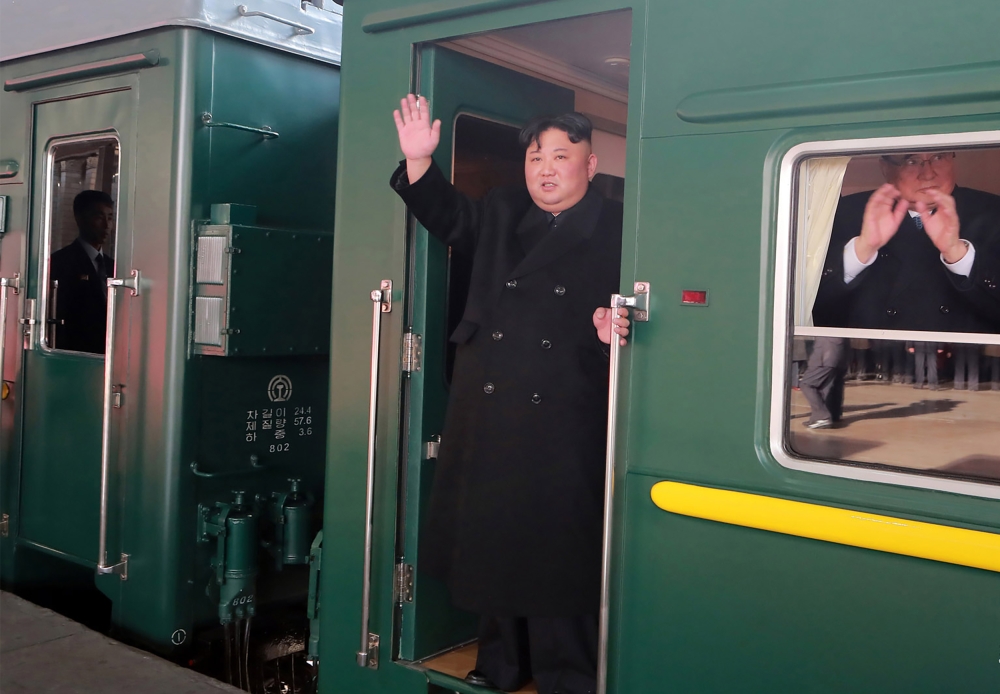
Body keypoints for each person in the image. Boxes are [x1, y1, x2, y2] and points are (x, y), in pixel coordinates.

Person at [391, 94, 628, 694]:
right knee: (496, 536)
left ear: (591, 164)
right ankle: (499, 664)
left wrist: (614, 333)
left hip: (568, 407)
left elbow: (641, 315)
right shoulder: (501, 210)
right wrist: (420, 163)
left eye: (559, 155)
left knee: (556, 547)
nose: (544, 168)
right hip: (491, 402)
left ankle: (568, 674)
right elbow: (449, 218)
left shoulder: (623, 227)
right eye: (533, 157)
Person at [813, 151, 1000, 333]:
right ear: (885, 167)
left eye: (938, 157)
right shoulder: (843, 213)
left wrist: (958, 255)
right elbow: (806, 307)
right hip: (870, 360)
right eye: (911, 161)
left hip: (968, 361)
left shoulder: (993, 211)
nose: (928, 174)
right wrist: (862, 250)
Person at [49, 190, 116, 354]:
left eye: (110, 218)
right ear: (79, 218)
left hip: (108, 355)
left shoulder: (112, 265)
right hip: (73, 355)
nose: (107, 226)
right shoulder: (60, 262)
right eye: (99, 217)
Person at [799, 337, 847, 429]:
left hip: (827, 354)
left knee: (807, 384)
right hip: (841, 353)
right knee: (831, 384)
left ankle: (822, 417)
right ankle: (833, 414)